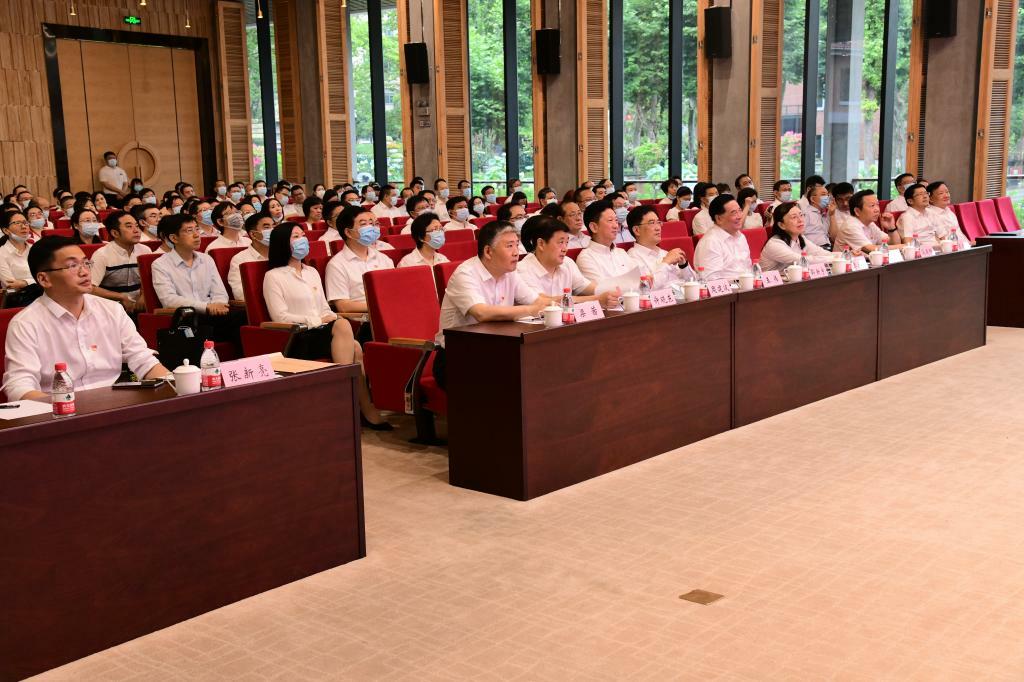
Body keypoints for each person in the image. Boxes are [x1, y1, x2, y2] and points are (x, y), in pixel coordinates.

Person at [2, 236, 169, 401]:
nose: (84, 272)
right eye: (72, 265)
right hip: (58, 409)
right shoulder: (26, 323)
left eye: (85, 263)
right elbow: (19, 387)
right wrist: (65, 406)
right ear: (44, 279)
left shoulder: (112, 310)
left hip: (114, 403)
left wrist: (174, 384)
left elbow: (143, 360)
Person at [261, 223, 391, 429]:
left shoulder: (311, 271)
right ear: (283, 243)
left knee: (355, 346)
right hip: (297, 336)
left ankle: (358, 407)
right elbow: (280, 316)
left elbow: (324, 308)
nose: (303, 240)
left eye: (303, 235)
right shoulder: (273, 276)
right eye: (296, 236)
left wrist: (327, 318)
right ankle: (352, 402)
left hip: (321, 332)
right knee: (344, 329)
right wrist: (316, 321)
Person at [432, 221, 549, 390]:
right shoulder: (465, 274)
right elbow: (481, 313)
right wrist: (531, 310)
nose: (516, 252)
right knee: (520, 383)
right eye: (509, 246)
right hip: (457, 357)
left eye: (517, 245)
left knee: (543, 370)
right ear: (488, 251)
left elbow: (536, 301)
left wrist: (559, 306)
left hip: (496, 351)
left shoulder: (510, 273)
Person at [151, 214, 242, 344]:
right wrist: (206, 307)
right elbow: (169, 300)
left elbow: (220, 292)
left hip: (213, 315)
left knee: (242, 317)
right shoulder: (160, 264)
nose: (196, 235)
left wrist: (219, 306)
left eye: (197, 229)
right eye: (189, 231)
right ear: (174, 238)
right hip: (188, 317)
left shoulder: (206, 259)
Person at [517, 215, 618, 305]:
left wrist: (613, 292)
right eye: (560, 242)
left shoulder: (567, 263)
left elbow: (587, 287)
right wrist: (597, 299)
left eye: (566, 242)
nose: (565, 249)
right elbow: (543, 301)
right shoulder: (522, 269)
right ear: (541, 244)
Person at [325, 206, 395, 315]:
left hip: (392, 312)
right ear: (348, 232)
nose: (372, 228)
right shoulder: (336, 265)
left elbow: (395, 290)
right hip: (364, 318)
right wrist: (380, 306)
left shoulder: (384, 259)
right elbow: (343, 306)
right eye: (364, 224)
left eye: (374, 224)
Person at [90, 210, 149, 313]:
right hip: (111, 308)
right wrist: (121, 297)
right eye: (129, 226)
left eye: (137, 226)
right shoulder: (101, 255)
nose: (136, 230)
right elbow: (91, 288)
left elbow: (151, 280)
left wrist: (144, 295)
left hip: (141, 307)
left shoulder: (145, 250)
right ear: (115, 233)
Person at [623, 206, 694, 288]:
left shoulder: (664, 253)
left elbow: (693, 282)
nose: (658, 228)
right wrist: (666, 262)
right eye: (651, 223)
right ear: (636, 230)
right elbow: (647, 288)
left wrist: (683, 265)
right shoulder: (632, 258)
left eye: (658, 222)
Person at [693, 194, 753, 281]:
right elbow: (711, 280)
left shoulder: (741, 236)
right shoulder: (711, 242)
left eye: (740, 210)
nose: (740, 216)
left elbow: (748, 268)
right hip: (729, 288)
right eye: (734, 213)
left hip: (746, 285)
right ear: (719, 219)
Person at [758, 202, 833, 272]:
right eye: (794, 217)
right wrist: (834, 259)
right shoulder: (775, 244)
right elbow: (803, 261)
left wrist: (838, 256)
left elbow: (820, 252)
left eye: (801, 215)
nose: (800, 220)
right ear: (781, 225)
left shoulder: (800, 238)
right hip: (769, 281)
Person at [576, 199, 635, 284]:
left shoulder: (621, 252)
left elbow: (639, 280)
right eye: (610, 220)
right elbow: (603, 288)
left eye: (616, 220)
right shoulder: (586, 258)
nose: (616, 226)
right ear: (594, 227)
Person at [227, 213, 271, 300]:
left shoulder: (284, 255)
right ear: (253, 234)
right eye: (267, 227)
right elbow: (239, 294)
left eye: (274, 226)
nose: (273, 230)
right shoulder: (240, 259)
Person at [0, 210, 37, 306]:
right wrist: (35, 281)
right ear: (6, 230)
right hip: (19, 300)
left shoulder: (35, 249)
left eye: (25, 222)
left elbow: (48, 277)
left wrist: (24, 282)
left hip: (43, 294)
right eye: (17, 223)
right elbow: (10, 284)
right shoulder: (1, 253)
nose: (24, 226)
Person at [925, 181, 970, 248]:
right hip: (950, 249)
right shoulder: (929, 214)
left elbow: (959, 233)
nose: (946, 195)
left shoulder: (948, 211)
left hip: (964, 247)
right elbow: (941, 239)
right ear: (930, 199)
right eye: (941, 193)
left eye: (947, 192)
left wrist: (969, 244)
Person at [797, 183, 832, 248]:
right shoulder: (806, 213)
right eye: (823, 194)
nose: (827, 197)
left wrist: (832, 214)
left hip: (827, 247)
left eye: (828, 195)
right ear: (812, 199)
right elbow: (799, 234)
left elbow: (830, 234)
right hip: (813, 248)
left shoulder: (825, 214)